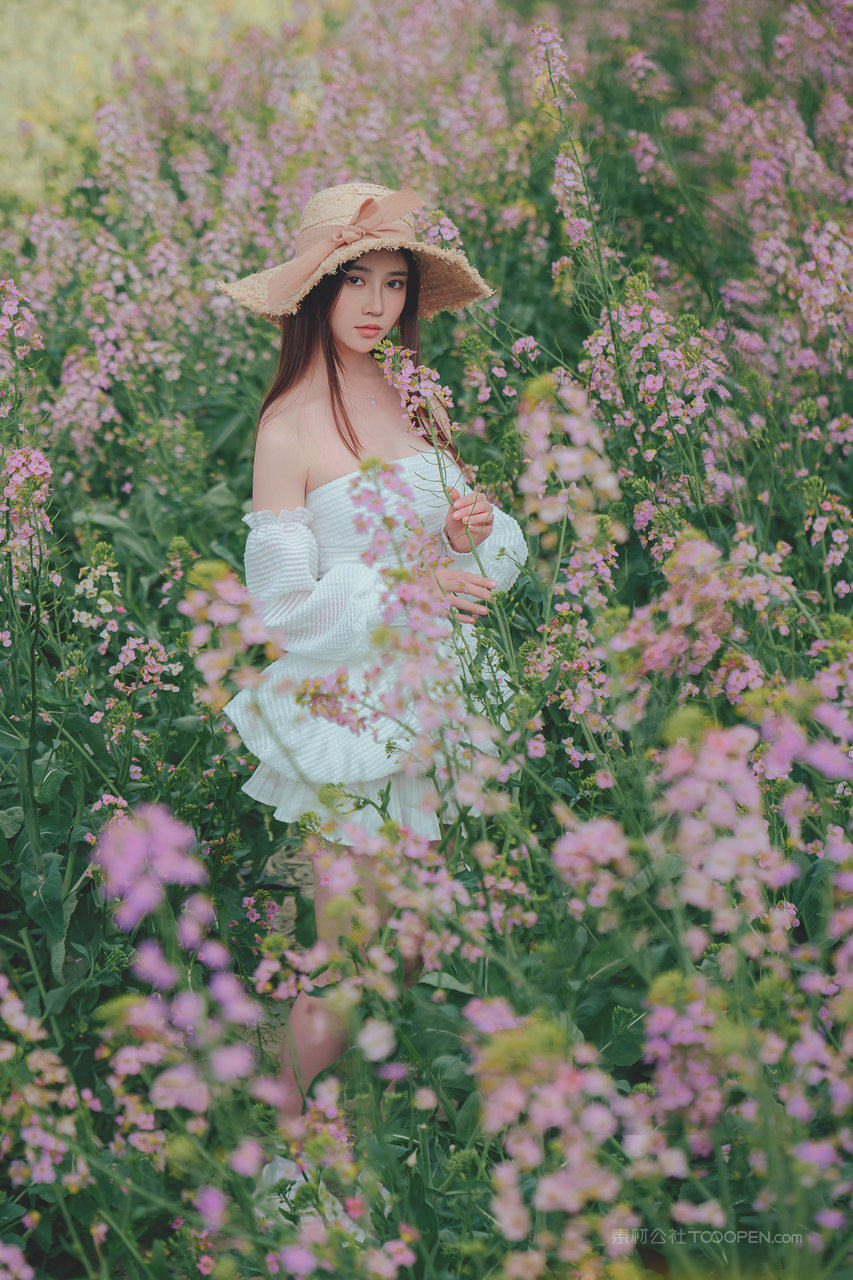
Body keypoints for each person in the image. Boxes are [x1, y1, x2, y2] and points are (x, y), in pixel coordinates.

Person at [215, 182, 527, 1140]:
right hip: (347, 708)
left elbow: (488, 566)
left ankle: (384, 1136)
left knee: (418, 946)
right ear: (314, 293)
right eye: (354, 281)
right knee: (347, 958)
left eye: (394, 284)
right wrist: (408, 588)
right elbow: (279, 612)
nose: (376, 305)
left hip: (439, 694)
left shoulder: (410, 397)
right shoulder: (289, 428)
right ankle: (281, 1147)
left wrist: (475, 529)